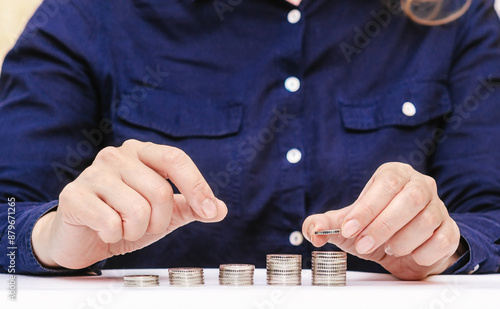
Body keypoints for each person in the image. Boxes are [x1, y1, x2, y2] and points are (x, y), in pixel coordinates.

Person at [1, 0, 499, 280]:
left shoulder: (455, 16)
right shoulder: (89, 14)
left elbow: (492, 219)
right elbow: (5, 216)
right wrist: (48, 238)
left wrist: (449, 246)